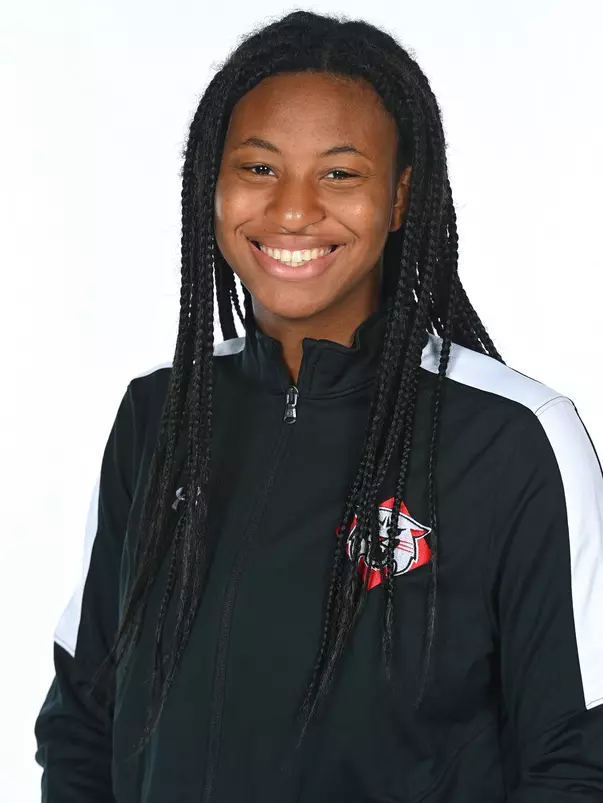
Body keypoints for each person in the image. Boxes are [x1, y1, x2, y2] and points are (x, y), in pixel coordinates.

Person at [34, 9, 603, 803]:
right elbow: (82, 719)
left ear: (402, 197)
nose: (293, 211)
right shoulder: (158, 415)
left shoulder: (512, 440)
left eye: (340, 173)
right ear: (212, 183)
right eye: (259, 169)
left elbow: (578, 761)